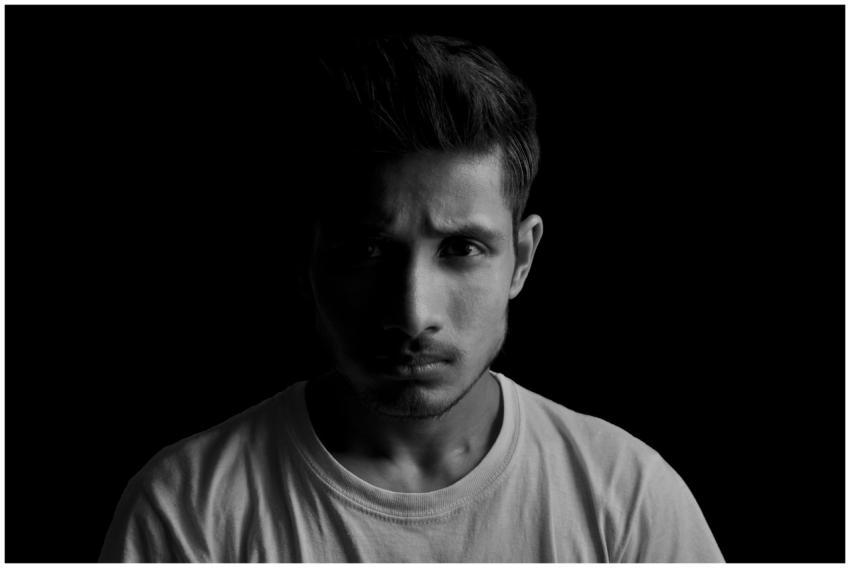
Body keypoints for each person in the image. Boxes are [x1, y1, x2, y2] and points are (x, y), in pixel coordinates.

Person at [100, 34, 724, 562]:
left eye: (461, 249)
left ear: (522, 259)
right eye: (367, 250)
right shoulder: (187, 510)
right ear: (306, 261)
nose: (411, 313)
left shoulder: (629, 500)